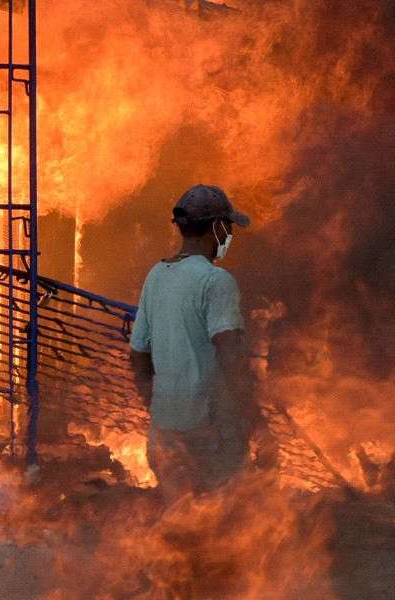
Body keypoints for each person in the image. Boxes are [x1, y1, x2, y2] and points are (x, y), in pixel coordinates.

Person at [129, 184, 271, 506]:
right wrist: (259, 425)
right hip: (210, 440)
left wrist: (160, 407)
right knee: (232, 526)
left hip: (164, 438)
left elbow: (139, 355)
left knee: (184, 531)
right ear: (217, 227)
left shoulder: (155, 276)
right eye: (228, 226)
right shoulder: (216, 281)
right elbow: (230, 357)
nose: (229, 234)